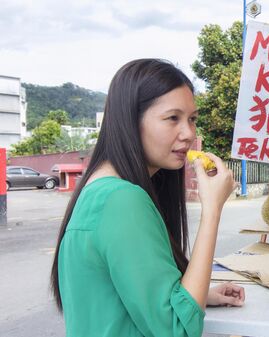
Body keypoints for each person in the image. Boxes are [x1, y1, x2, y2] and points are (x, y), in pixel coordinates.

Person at [50, 59, 245, 336]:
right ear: (131, 120)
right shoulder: (122, 199)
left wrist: (203, 295)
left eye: (192, 119)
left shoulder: (98, 188)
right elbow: (178, 329)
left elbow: (121, 295)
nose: (189, 133)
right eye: (172, 118)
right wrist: (212, 209)